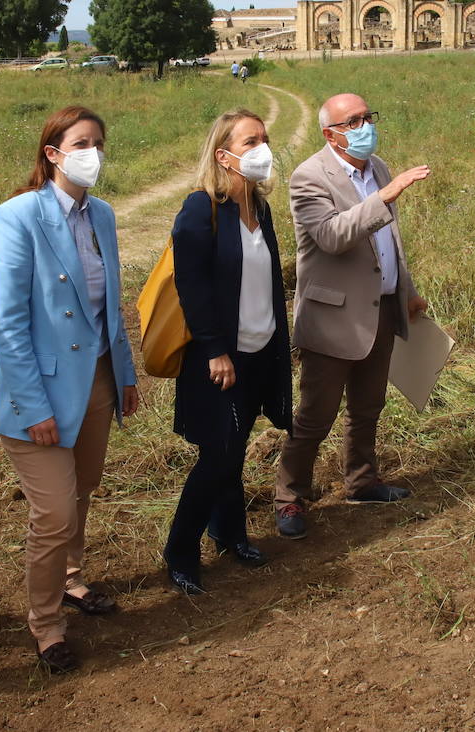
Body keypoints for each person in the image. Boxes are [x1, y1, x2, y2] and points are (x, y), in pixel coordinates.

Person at [0, 106, 140, 673]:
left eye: (100, 143)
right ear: (53, 153)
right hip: (40, 393)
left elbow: (109, 309)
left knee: (83, 490)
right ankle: (46, 623)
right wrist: (31, 405)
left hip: (96, 379)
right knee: (52, 514)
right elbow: (7, 322)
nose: (93, 153)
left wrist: (123, 374)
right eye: (81, 143)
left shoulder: (100, 214)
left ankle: (73, 580)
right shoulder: (18, 216)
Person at [274, 93, 429, 539]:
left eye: (368, 116)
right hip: (332, 318)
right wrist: (385, 195)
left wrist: (408, 290)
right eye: (354, 120)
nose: (366, 125)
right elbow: (331, 236)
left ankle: (361, 481)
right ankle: (289, 496)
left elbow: (390, 241)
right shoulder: (308, 177)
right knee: (315, 415)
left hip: (380, 307)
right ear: (331, 134)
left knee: (368, 406)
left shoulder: (377, 166)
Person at [163, 109, 291, 594]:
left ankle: (230, 533)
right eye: (250, 141)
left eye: (264, 138)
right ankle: (180, 551)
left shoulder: (260, 208)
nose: (262, 148)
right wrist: (216, 350)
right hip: (219, 358)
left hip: (260, 350)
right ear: (224, 155)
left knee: (234, 450)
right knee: (216, 456)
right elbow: (191, 287)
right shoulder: (201, 210)